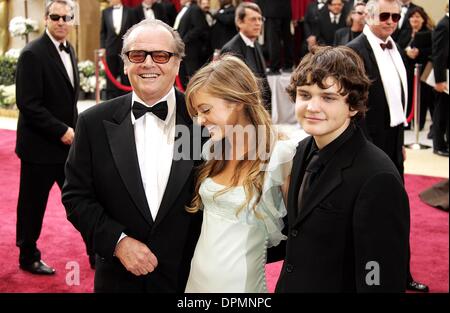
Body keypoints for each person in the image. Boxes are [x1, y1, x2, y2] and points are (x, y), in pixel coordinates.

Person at [62, 19, 202, 293]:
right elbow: (76, 196)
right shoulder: (92, 122)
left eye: (161, 55)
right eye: (137, 55)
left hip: (190, 279)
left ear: (177, 62)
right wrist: (118, 241)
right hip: (118, 281)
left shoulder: (203, 120)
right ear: (125, 64)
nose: (148, 63)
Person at [275, 46, 410, 292]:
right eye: (305, 95)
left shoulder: (377, 177)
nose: (312, 107)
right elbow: (296, 233)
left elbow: (379, 275)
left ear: (353, 106)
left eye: (328, 98)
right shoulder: (300, 150)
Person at [184, 55, 300, 292]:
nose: (200, 121)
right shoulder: (213, 149)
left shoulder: (280, 155)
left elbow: (301, 233)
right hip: (197, 279)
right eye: (197, 113)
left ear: (236, 101)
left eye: (205, 110)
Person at [347, 0, 428, 292]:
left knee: (396, 211)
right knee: (369, 214)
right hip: (367, 142)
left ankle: (399, 272)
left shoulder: (396, 47)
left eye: (395, 16)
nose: (391, 21)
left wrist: (400, 138)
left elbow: (396, 97)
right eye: (384, 15)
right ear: (368, 17)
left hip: (393, 139)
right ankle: (369, 280)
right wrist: (364, 148)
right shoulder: (354, 50)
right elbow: (352, 105)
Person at [15, 0, 80, 275]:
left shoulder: (70, 49)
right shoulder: (32, 53)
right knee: (32, 206)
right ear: (45, 19)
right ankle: (27, 256)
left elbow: (68, 100)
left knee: (81, 201)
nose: (62, 22)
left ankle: (97, 252)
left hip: (68, 148)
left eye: (67, 17)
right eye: (56, 17)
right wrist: (62, 131)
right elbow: (28, 104)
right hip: (39, 148)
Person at [221, 2, 272, 110]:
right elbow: (234, 90)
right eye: (253, 19)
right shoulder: (231, 49)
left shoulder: (255, 44)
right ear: (240, 22)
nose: (258, 23)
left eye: (260, 19)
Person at [100, 0, 135, 100]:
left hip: (125, 49)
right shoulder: (105, 12)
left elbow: (133, 29)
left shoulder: (130, 11)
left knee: (125, 77)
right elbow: (103, 32)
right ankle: (111, 100)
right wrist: (103, 47)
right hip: (110, 48)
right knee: (110, 77)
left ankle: (127, 99)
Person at [431, 4, 449, 157]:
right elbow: (438, 54)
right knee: (441, 111)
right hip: (444, 77)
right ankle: (438, 145)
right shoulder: (443, 25)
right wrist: (440, 80)